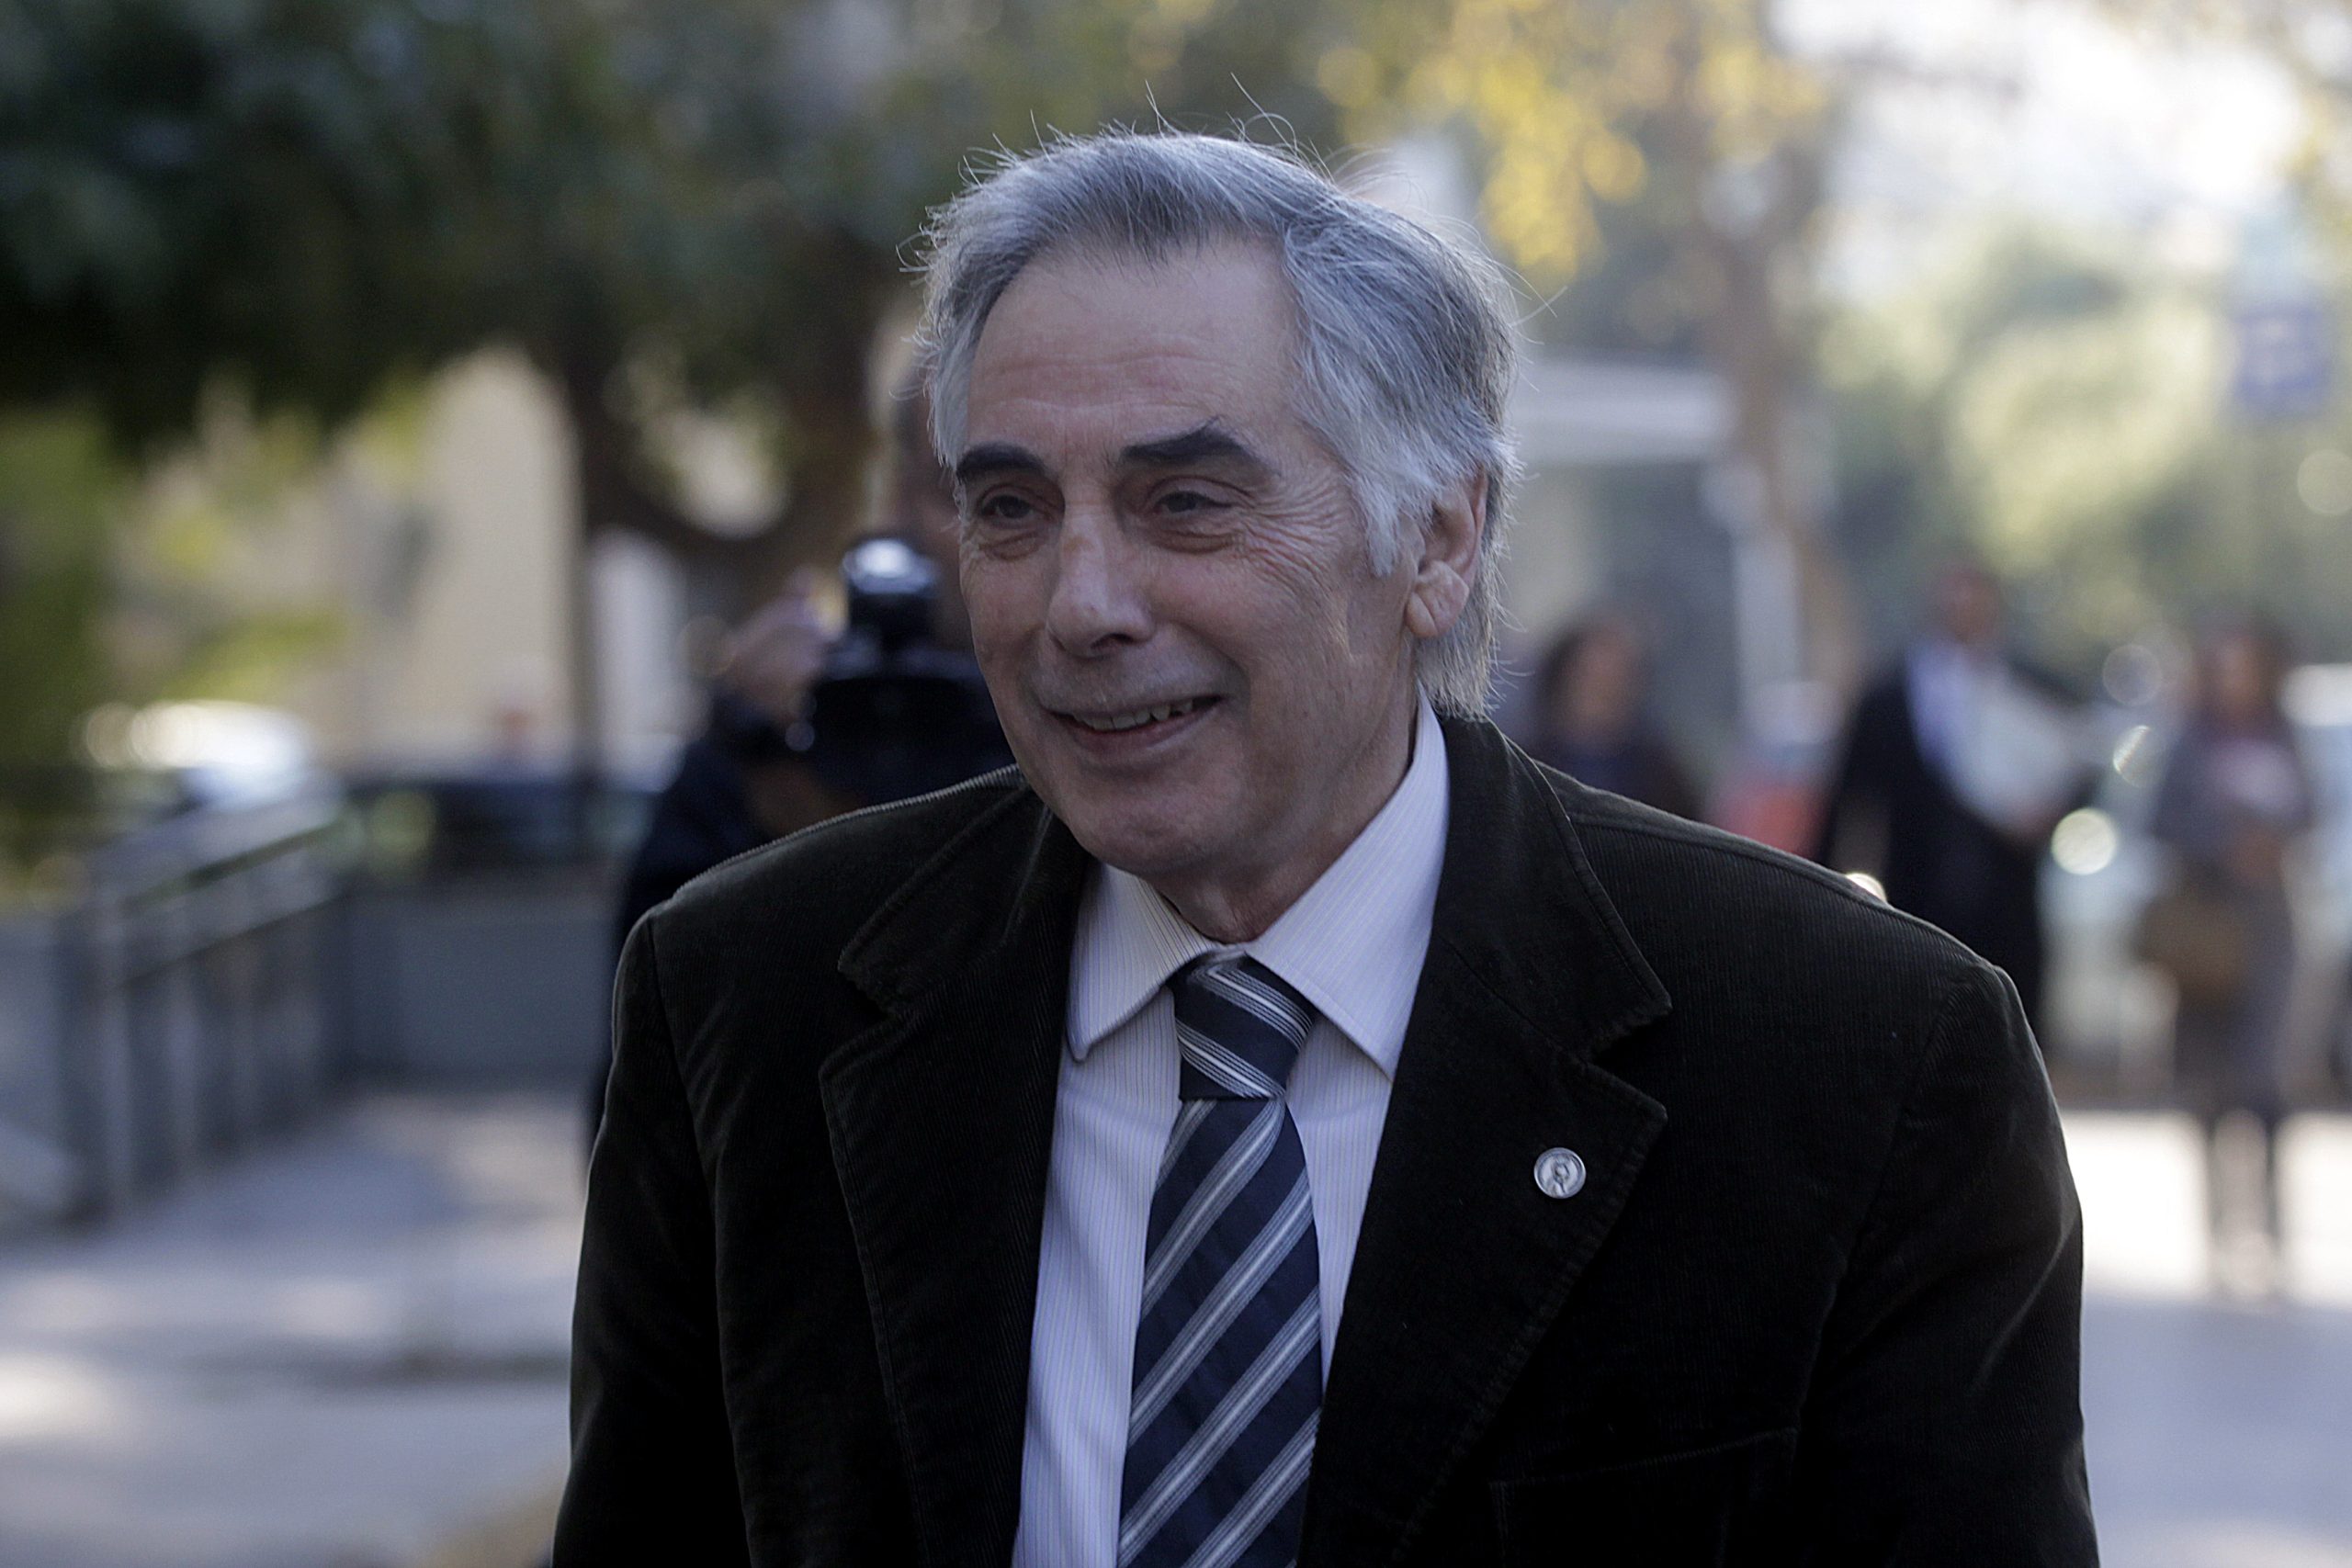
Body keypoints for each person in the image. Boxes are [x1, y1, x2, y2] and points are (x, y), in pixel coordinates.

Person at [557, 132, 2094, 1565]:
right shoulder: (745, 1002)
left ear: (1437, 538)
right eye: (1012, 508)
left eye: (1185, 502)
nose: (1080, 603)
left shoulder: (1860, 1058)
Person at [1812, 560, 2088, 1035]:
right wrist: (1824, 891)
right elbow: (1847, 801)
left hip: (2008, 902)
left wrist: (2049, 817)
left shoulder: (2037, 690)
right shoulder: (1887, 699)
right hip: (1916, 897)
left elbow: (2080, 770)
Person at [2146, 618, 2312, 1288]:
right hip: (2204, 933)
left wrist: (2272, 843)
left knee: (2265, 1082)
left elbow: (2311, 808)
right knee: (2207, 1085)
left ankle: (2270, 1229)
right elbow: (2159, 819)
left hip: (2268, 928)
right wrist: (2222, 844)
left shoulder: (2282, 734)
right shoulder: (2190, 740)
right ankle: (2216, 1230)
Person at [1522, 613, 1702, 819]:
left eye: (1616, 681)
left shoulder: (1661, 776)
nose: (1604, 692)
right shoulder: (1527, 767)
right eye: (1592, 679)